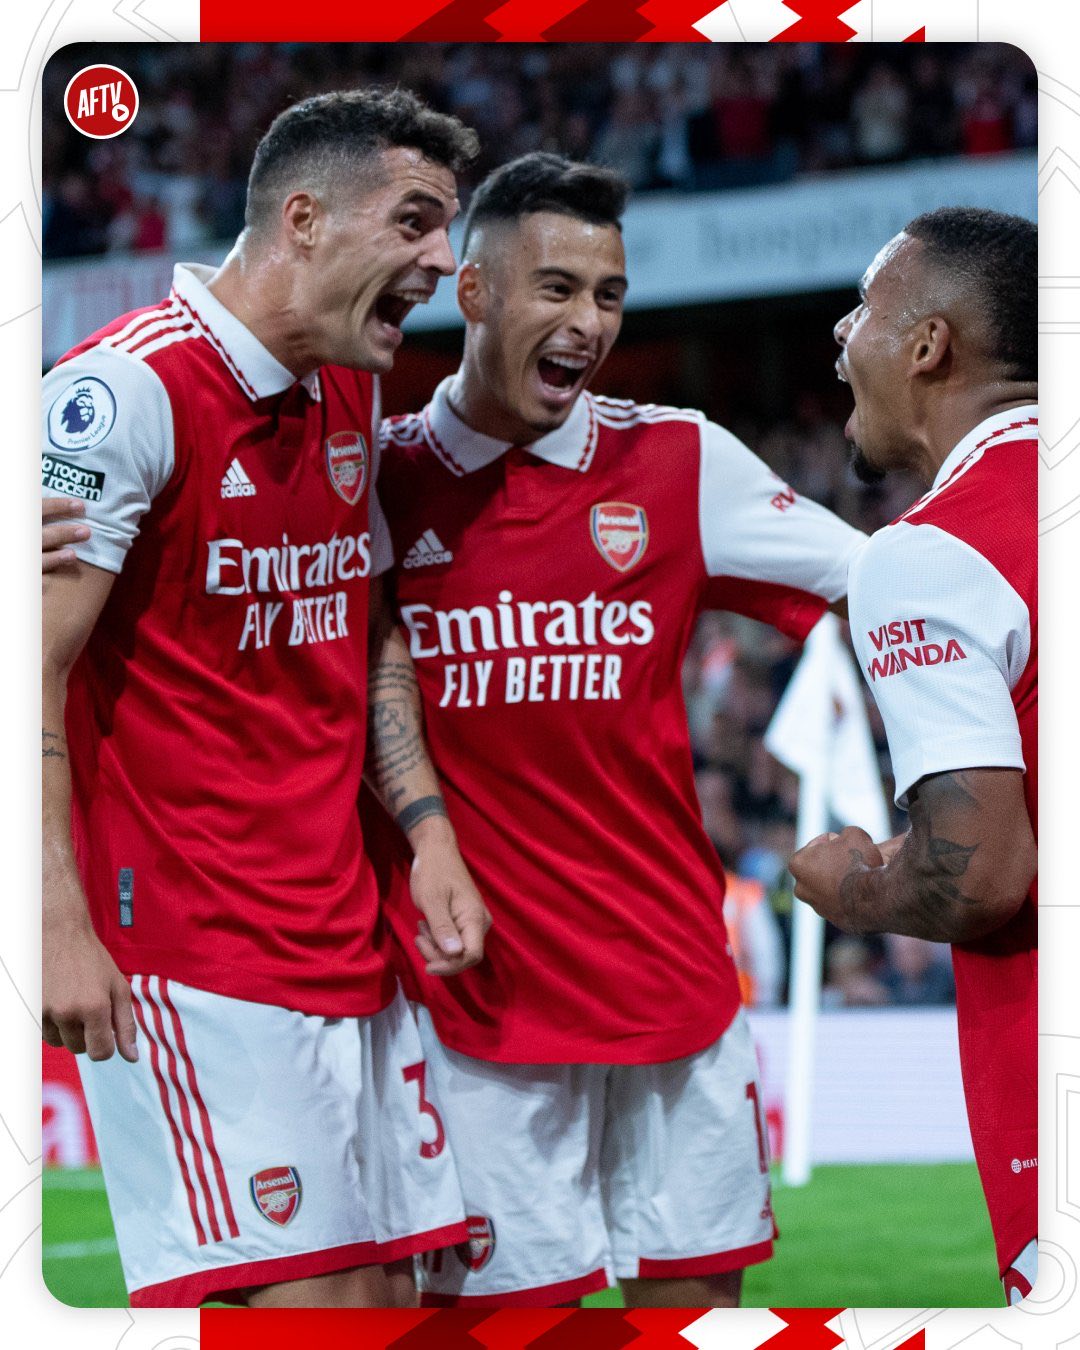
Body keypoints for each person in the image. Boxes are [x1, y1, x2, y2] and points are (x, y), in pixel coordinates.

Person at [370, 153, 867, 1308]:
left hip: (672, 979)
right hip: (476, 997)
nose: (589, 322)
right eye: (556, 288)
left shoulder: (679, 460)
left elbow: (876, 580)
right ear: (474, 290)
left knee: (698, 1313)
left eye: (609, 295)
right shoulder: (380, 479)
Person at [41, 89, 491, 1309]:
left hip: (347, 929)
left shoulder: (349, 383)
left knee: (408, 1300)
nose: (441, 262)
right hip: (190, 950)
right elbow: (30, 661)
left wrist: (428, 831)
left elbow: (366, 621)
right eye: (414, 221)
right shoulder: (126, 393)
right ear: (303, 219)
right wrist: (52, 922)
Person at [788, 207, 1038, 1304]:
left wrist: (851, 885)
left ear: (930, 345)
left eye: (863, 309)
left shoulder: (930, 553)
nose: (843, 335)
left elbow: (977, 877)